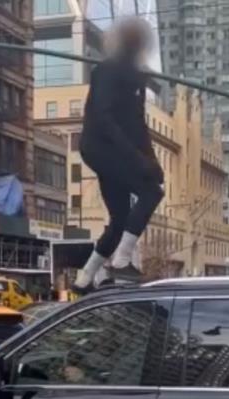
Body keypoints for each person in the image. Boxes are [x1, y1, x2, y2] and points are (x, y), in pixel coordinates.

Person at [73, 17, 164, 294]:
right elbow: (104, 117)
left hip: (109, 149)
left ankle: (85, 278)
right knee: (151, 192)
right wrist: (137, 159)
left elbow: (139, 124)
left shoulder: (133, 77)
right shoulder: (107, 71)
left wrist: (150, 161)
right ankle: (122, 259)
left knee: (121, 217)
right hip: (102, 148)